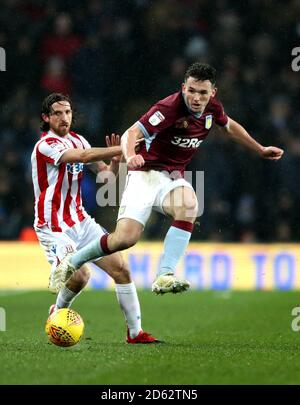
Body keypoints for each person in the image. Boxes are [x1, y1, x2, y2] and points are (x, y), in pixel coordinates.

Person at [53, 62, 284, 295]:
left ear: (212, 93)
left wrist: (260, 149)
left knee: (189, 204)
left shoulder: (213, 108)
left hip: (171, 177)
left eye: (202, 93)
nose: (196, 98)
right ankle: (74, 261)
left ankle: (165, 274)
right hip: (144, 174)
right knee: (125, 239)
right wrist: (131, 156)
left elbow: (229, 127)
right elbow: (130, 133)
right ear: (183, 87)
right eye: (191, 91)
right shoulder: (168, 108)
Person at [31, 92, 160, 343]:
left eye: (67, 112)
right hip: (54, 226)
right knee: (80, 276)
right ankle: (58, 311)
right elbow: (83, 158)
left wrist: (114, 163)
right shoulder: (46, 144)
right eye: (57, 113)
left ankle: (135, 333)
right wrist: (126, 146)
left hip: (80, 220)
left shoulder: (79, 140)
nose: (64, 117)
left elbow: (105, 179)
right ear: (46, 118)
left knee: (121, 269)